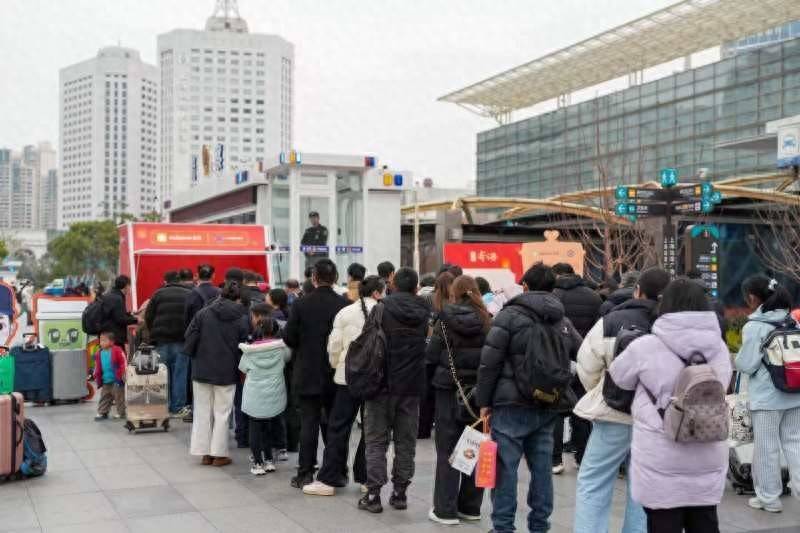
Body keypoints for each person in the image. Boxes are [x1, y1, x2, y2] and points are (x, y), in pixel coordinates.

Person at [608, 279, 731, 533]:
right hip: (708, 447)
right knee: (705, 521)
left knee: (663, 523)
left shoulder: (645, 346)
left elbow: (619, 377)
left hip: (661, 454)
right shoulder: (718, 348)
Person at [477, 262, 581, 533]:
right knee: (542, 469)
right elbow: (581, 354)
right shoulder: (562, 320)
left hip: (510, 404)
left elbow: (489, 363)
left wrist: (484, 402)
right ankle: (539, 525)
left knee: (506, 469)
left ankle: (503, 527)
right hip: (547, 403)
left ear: (525, 286)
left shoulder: (508, 316)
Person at [572, 267, 670, 533]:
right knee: (642, 487)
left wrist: (603, 390)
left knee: (594, 481)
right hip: (657, 418)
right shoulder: (673, 325)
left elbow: (587, 364)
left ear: (637, 290)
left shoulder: (612, 320)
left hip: (614, 413)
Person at [303, 275, 385, 497]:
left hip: (346, 378)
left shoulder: (345, 312)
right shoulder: (385, 313)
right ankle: (366, 478)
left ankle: (329, 478)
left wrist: (337, 365)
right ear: (378, 292)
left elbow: (334, 347)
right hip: (375, 380)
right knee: (371, 430)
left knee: (338, 427)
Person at [359, 267, 429, 514]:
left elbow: (368, 343)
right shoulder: (424, 310)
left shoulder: (381, 308)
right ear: (416, 287)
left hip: (381, 384)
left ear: (393, 285)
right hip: (411, 386)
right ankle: (400, 493)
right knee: (405, 442)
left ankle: (373, 495)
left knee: (376, 441)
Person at [426, 275, 490, 525]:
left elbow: (431, 355)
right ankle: (470, 507)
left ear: (455, 292)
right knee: (474, 444)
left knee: (447, 447)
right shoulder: (488, 320)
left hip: (448, 390)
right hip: (479, 393)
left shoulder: (444, 318)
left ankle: (445, 510)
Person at [736, 275, 800, 513]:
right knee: (796, 444)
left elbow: (747, 364)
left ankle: (769, 499)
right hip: (795, 393)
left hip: (767, 398)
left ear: (753, 298)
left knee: (766, 447)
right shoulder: (792, 321)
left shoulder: (755, 327)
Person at [283, 259, 348, 488]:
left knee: (309, 423)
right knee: (335, 424)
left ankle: (305, 473)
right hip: (335, 373)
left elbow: (289, 337)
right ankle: (337, 472)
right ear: (336, 278)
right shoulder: (344, 304)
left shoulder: (301, 304)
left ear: (314, 278)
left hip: (307, 370)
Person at [184, 279, 250, 467]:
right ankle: (219, 454)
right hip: (227, 370)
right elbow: (243, 345)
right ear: (237, 298)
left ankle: (204, 453)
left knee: (202, 411)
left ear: (221, 295)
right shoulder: (241, 317)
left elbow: (189, 336)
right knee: (222, 412)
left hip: (202, 367)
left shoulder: (203, 313)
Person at [551, 263, 602, 472]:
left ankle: (555, 460)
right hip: (584, 357)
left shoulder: (553, 295)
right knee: (582, 408)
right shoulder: (594, 297)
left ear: (556, 275)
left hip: (558, 359)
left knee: (556, 409)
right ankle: (582, 456)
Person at [239, 303, 291, 476]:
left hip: (254, 394)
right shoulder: (282, 349)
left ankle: (257, 462)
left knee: (255, 428)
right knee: (268, 426)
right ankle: (269, 460)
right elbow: (287, 359)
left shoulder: (250, 351)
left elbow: (243, 368)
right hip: (274, 394)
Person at [145, 271, 192, 416]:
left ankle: (163, 405)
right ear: (179, 280)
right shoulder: (189, 294)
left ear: (165, 281)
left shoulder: (157, 294)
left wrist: (154, 331)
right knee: (180, 374)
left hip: (161, 341)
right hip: (181, 340)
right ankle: (177, 407)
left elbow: (148, 316)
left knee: (161, 374)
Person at [182, 264, 221, 423]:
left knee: (196, 377)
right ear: (213, 275)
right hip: (217, 340)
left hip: (198, 342)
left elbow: (187, 320)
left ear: (197, 275)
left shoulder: (192, 294)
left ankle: (195, 409)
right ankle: (215, 409)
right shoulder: (220, 293)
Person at [93, 331, 127, 420]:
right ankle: (102, 412)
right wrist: (96, 375)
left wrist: (123, 373)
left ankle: (121, 413)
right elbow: (97, 366)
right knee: (104, 397)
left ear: (111, 342)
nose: (101, 342)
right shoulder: (99, 353)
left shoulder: (117, 350)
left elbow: (123, 362)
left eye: (104, 340)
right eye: (100, 340)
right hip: (106, 380)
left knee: (119, 397)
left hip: (117, 380)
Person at [99, 275, 138, 349]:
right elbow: (120, 319)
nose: (130, 288)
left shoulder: (110, 295)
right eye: (129, 286)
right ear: (126, 286)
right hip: (114, 338)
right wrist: (136, 320)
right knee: (118, 356)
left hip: (106, 336)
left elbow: (114, 314)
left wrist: (129, 314)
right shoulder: (117, 298)